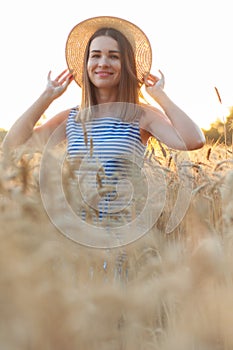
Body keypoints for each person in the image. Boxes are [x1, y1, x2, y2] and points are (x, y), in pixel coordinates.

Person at [2, 15, 205, 238]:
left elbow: (193, 140)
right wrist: (46, 96)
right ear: (87, 64)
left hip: (122, 236)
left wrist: (160, 96)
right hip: (75, 237)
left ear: (125, 65)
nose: (103, 63)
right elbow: (12, 145)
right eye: (95, 55)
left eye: (113, 56)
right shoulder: (71, 119)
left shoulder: (140, 116)